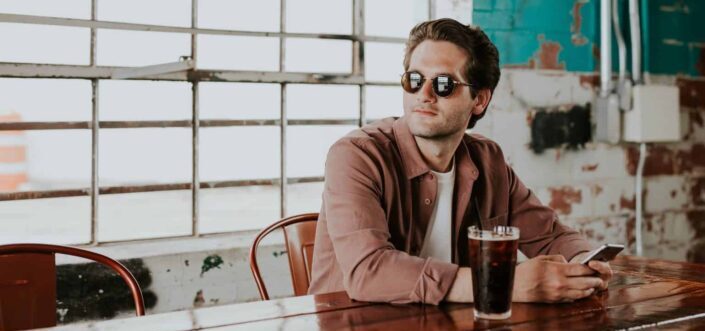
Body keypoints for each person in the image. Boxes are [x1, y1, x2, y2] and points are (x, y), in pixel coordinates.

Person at [307, 18, 612, 305]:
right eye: (414, 80)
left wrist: (584, 264)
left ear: (479, 100)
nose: (423, 95)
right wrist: (502, 284)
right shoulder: (356, 155)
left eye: (443, 84)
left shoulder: (488, 160)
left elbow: (551, 236)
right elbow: (369, 271)